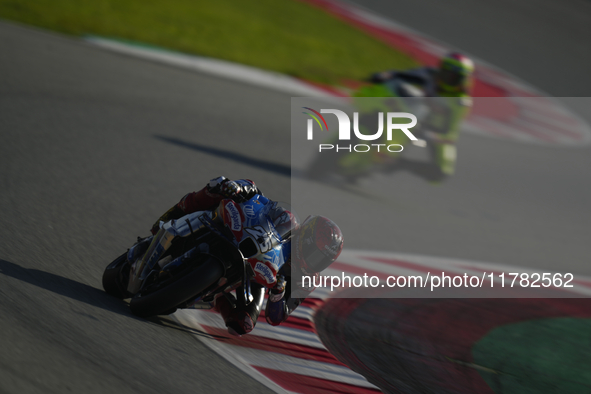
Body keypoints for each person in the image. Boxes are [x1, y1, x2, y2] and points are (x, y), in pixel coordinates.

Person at [151, 176, 344, 336]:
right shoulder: (287, 218)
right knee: (217, 187)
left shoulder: (307, 279)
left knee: (242, 324)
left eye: (322, 261)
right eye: (314, 254)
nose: (314, 262)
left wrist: (277, 294)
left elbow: (276, 317)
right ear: (305, 238)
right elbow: (258, 196)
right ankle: (172, 216)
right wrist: (238, 189)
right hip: (241, 235)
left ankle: (214, 294)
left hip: (256, 278)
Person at [368, 52, 474, 181]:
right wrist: (385, 75)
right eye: (446, 74)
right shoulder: (430, 73)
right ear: (441, 70)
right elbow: (404, 75)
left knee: (441, 172)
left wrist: (431, 133)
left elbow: (449, 130)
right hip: (416, 114)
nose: (449, 79)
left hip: (438, 132)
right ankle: (378, 151)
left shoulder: (461, 102)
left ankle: (400, 164)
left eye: (455, 78)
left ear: (464, 79)